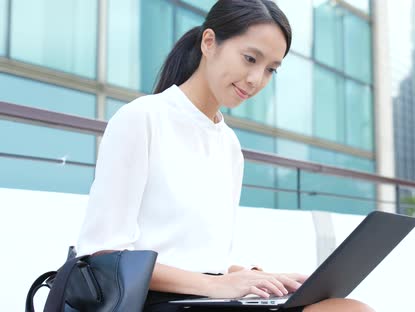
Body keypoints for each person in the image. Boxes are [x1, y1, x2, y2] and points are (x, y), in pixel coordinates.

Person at [76, 1, 374, 311]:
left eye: (271, 69)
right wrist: (217, 284)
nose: (256, 79)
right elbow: (103, 253)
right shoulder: (142, 118)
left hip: (206, 300)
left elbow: (203, 258)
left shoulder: (229, 144)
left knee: (347, 307)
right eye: (249, 59)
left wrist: (251, 277)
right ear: (209, 43)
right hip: (148, 301)